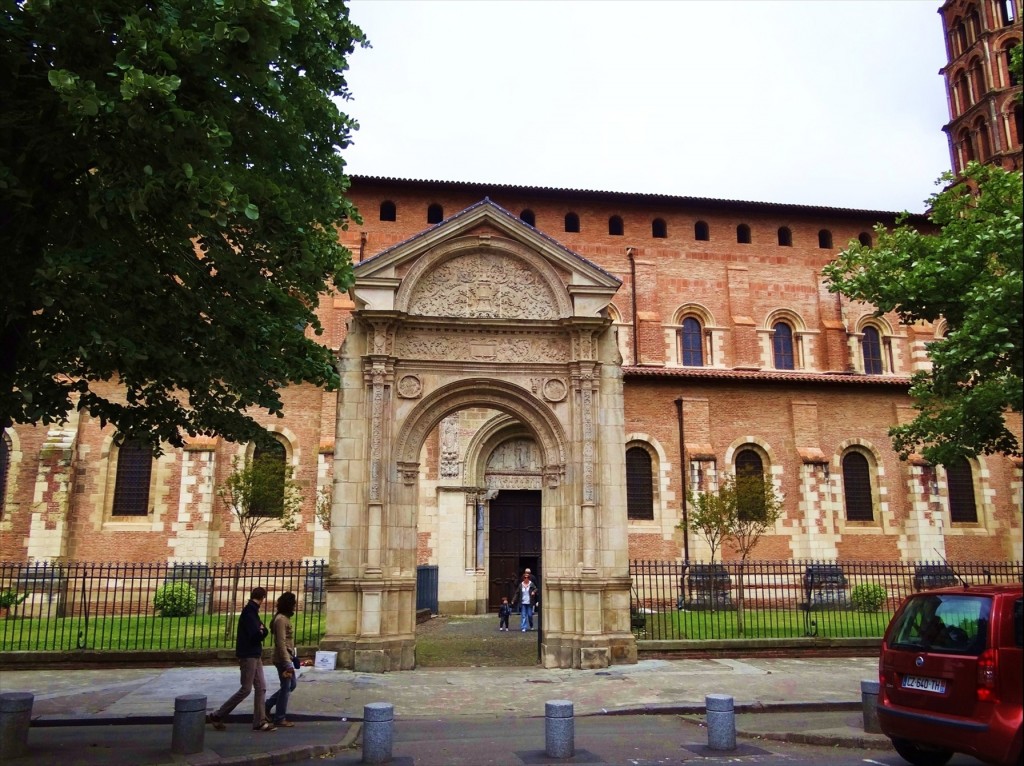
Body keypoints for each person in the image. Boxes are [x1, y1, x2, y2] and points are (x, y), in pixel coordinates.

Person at [208, 587, 275, 732]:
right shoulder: (249, 612)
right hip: (248, 655)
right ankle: (218, 715)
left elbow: (259, 630)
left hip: (254, 654)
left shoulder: (252, 611)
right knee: (246, 689)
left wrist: (262, 630)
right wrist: (264, 631)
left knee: (261, 687)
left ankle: (259, 721)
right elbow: (256, 634)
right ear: (262, 598)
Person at [265, 592, 298, 727]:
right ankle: (279, 717)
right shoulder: (281, 620)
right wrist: (287, 663)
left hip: (287, 657)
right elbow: (281, 642)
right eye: (293, 604)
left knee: (291, 685)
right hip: (282, 659)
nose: (295, 606)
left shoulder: (283, 618)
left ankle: (266, 705)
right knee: (286, 687)